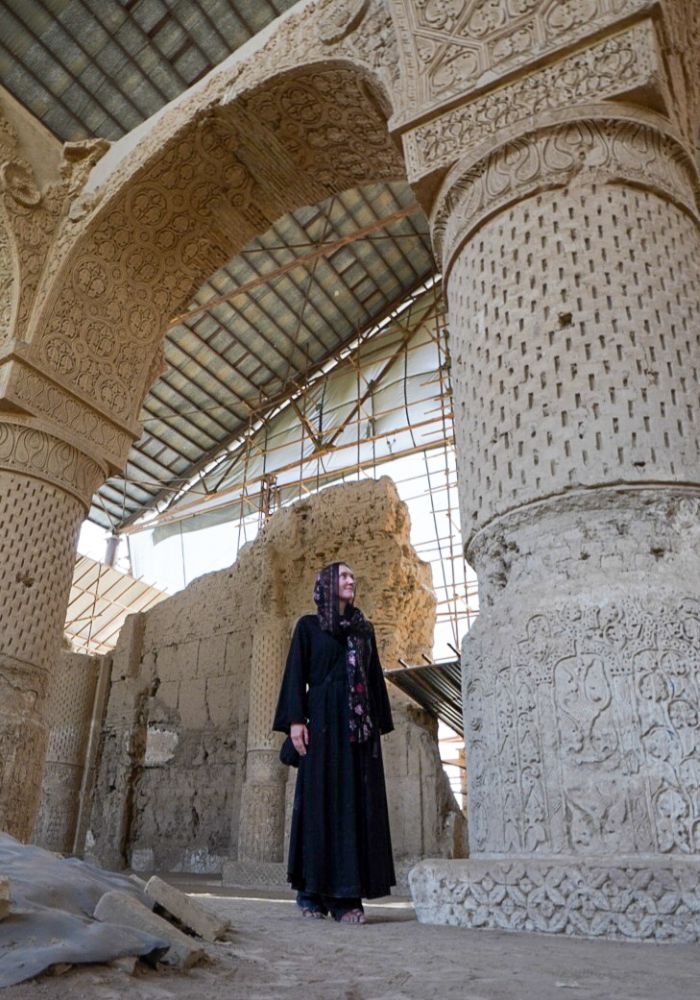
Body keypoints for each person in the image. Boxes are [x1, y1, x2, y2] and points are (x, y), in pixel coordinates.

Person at [273, 561, 396, 924]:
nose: (350, 580)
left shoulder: (364, 630)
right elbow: (296, 671)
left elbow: (373, 680)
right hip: (322, 725)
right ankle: (310, 892)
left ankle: (346, 897)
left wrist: (375, 728)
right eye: (343, 576)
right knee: (318, 805)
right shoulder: (309, 627)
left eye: (353, 576)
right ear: (326, 584)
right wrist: (295, 721)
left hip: (357, 730)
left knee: (353, 808)